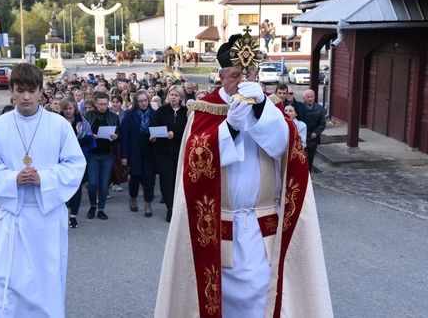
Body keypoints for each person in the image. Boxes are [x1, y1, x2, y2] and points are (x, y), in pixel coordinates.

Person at [155, 30, 332, 317]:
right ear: (222, 76)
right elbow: (195, 165)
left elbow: (288, 149)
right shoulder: (203, 110)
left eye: (250, 73)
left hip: (263, 226)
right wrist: (231, 128)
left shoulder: (270, 107)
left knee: (266, 299)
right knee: (219, 302)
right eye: (236, 74)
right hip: (219, 224)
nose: (244, 81)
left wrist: (261, 111)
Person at [0, 63, 86, 317]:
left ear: (41, 92)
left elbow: (75, 165)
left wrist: (44, 179)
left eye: (31, 90)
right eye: (20, 90)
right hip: (13, 217)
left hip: (47, 217)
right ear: (11, 91)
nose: (26, 96)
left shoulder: (58, 125)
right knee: (10, 278)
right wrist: (14, 178)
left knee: (47, 278)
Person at [149, 85, 187, 222]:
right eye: (171, 94)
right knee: (166, 178)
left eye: (176, 95)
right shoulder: (162, 111)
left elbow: (188, 131)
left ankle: (178, 207)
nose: (173, 97)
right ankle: (170, 208)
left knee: (177, 180)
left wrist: (174, 135)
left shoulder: (186, 112)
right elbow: (154, 126)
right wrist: (153, 136)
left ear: (181, 97)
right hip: (163, 151)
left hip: (179, 151)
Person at [84, 92, 121, 220]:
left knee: (104, 183)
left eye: (105, 104)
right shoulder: (88, 115)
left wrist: (116, 137)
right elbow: (81, 133)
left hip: (107, 154)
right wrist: (90, 137)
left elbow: (119, 134)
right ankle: (93, 205)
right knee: (93, 183)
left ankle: (101, 209)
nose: (103, 107)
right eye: (100, 104)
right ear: (95, 103)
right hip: (92, 153)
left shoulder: (113, 116)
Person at [60, 98, 96, 228]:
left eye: (70, 108)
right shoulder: (58, 121)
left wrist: (75, 144)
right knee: (63, 186)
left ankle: (73, 216)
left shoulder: (82, 121)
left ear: (75, 109)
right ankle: (62, 213)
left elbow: (89, 138)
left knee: (77, 187)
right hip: (61, 160)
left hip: (78, 159)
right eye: (66, 109)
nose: (68, 111)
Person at [120, 89, 157, 217]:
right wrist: (123, 156)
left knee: (148, 178)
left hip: (149, 150)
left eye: (145, 100)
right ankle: (133, 198)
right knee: (135, 176)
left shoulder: (154, 114)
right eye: (140, 101)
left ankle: (148, 204)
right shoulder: (129, 114)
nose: (143, 103)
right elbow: (124, 136)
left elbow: (159, 131)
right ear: (136, 101)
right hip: (134, 151)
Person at [303, 89, 327, 172]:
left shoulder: (319, 108)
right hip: (304, 138)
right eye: (308, 97)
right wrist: (308, 134)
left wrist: (316, 133)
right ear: (304, 98)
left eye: (312, 97)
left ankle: (309, 175)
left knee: (311, 159)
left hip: (314, 138)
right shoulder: (300, 108)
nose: (310, 99)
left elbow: (323, 123)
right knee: (304, 159)